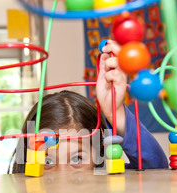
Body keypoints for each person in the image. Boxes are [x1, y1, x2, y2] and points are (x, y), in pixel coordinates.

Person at [9, 40, 168, 174]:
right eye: (47, 161)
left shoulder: (106, 181)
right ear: (27, 159)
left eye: (77, 159)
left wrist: (116, 115)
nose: (62, 178)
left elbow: (156, 171)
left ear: (98, 158)